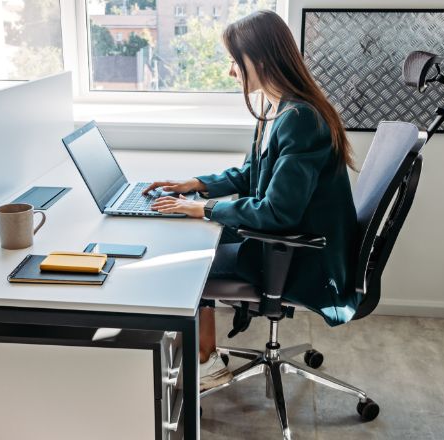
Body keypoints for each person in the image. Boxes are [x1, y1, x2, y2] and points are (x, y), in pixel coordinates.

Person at [144, 10, 358, 391]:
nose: (231, 73)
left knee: (191, 264)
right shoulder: (276, 110)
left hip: (301, 257)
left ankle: (205, 362)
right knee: (191, 239)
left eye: (234, 61)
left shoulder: (300, 119)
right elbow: (250, 175)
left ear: (259, 60)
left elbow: (278, 211)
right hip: (283, 243)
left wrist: (202, 208)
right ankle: (203, 354)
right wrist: (192, 185)